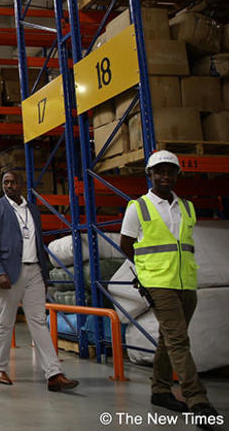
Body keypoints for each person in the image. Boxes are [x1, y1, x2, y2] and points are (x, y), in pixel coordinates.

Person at [119, 150, 219, 419]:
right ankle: (196, 398)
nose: (165, 176)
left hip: (187, 283)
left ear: (176, 175)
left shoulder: (187, 207)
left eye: (170, 171)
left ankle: (160, 390)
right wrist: (147, 271)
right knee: (178, 340)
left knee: (168, 337)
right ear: (149, 174)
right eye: (159, 171)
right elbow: (126, 246)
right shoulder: (137, 207)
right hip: (158, 283)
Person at [0, 168, 78, 392]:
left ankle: (54, 373)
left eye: (13, 182)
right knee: (5, 321)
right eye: (5, 182)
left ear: (21, 184)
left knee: (38, 321)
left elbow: (36, 241)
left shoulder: (32, 210)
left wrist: (44, 275)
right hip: (8, 272)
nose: (9, 186)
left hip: (34, 270)